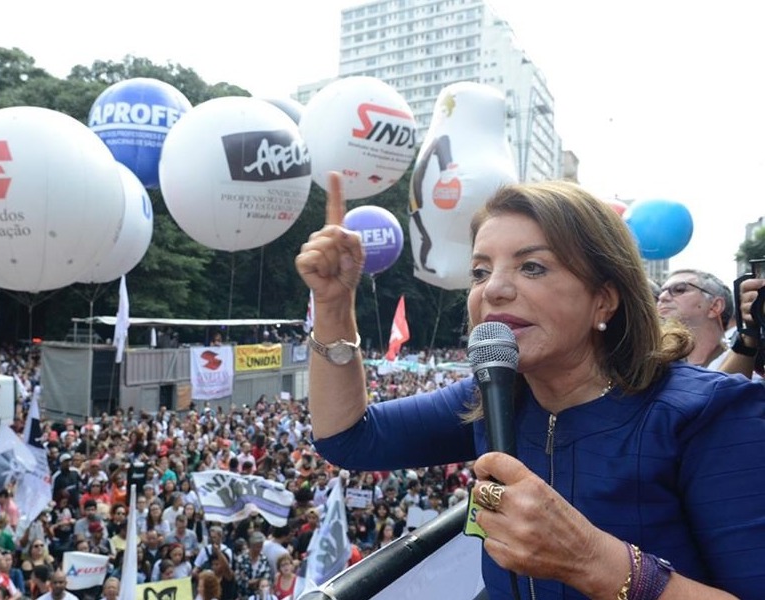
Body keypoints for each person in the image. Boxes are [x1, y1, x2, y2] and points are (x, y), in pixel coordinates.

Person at [294, 174, 765, 598]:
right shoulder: (490, 396)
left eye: (532, 267)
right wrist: (333, 302)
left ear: (604, 300)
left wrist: (593, 561)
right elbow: (349, 438)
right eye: (480, 271)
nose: (492, 289)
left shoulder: (710, 415)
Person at [656, 269, 733, 368]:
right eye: (661, 292)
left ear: (715, 306)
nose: (662, 297)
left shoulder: (745, 364)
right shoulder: (654, 367)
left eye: (679, 289)